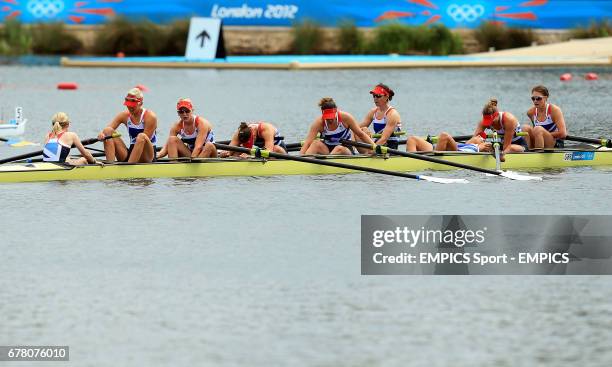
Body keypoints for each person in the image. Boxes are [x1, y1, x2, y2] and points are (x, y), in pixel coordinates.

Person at [97, 88, 158, 163]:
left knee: (141, 136)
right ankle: (110, 166)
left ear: (141, 103)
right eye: (128, 105)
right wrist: (102, 135)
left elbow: (144, 141)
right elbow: (108, 129)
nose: (130, 108)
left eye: (133, 105)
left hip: (147, 155)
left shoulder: (150, 116)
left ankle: (129, 168)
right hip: (131, 153)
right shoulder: (124, 115)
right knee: (107, 131)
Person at [300, 97, 376, 155]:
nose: (330, 120)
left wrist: (375, 147)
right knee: (315, 143)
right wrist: (299, 158)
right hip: (327, 149)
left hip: (345, 149)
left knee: (339, 148)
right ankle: (303, 164)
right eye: (327, 117)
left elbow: (361, 134)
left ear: (336, 111)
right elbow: (307, 143)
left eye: (331, 116)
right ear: (322, 114)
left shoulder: (346, 118)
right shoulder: (318, 123)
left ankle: (327, 165)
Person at [355, 83, 402, 153]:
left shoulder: (392, 114)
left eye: (378, 96)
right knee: (357, 130)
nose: (375, 99)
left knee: (362, 131)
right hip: (377, 146)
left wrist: (372, 150)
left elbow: (384, 139)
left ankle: (367, 155)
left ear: (386, 97)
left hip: (389, 148)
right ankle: (352, 152)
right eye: (374, 96)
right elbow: (356, 128)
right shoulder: (373, 112)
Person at [522, 85, 567, 149]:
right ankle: (526, 152)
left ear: (545, 98)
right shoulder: (530, 112)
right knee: (525, 128)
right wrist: (538, 135)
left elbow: (563, 134)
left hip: (555, 142)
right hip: (540, 139)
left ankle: (538, 154)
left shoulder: (554, 110)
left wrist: (541, 134)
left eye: (538, 98)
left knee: (538, 129)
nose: (535, 101)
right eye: (533, 98)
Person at [220, 121, 286, 158]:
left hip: (278, 150)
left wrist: (251, 156)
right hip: (261, 150)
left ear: (254, 135)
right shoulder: (241, 132)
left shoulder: (266, 129)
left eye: (248, 142)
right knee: (237, 151)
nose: (248, 144)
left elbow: (268, 152)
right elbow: (230, 150)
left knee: (276, 148)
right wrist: (224, 154)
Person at [406, 133, 492, 153]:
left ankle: (413, 162)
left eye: (482, 138)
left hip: (457, 153)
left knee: (444, 136)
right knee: (412, 139)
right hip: (436, 149)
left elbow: (492, 148)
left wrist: (481, 147)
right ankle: (410, 160)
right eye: (479, 136)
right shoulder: (468, 143)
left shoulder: (480, 146)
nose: (480, 137)